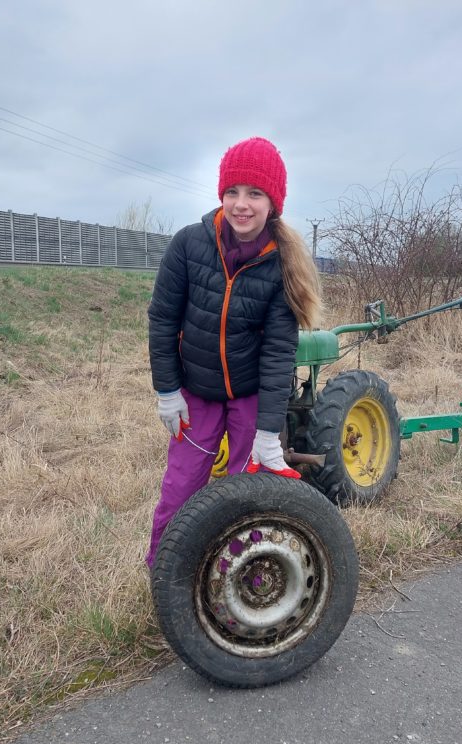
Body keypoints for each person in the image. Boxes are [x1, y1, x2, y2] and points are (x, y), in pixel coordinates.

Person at [145, 137, 322, 567]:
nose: (241, 204)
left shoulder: (280, 263)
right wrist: (167, 391)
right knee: (181, 490)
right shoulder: (188, 245)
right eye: (232, 192)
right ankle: (165, 574)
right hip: (197, 392)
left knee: (247, 496)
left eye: (255, 193)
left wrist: (268, 432)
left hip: (249, 395)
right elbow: (163, 319)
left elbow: (278, 352)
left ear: (273, 203)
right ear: (221, 195)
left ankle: (239, 577)